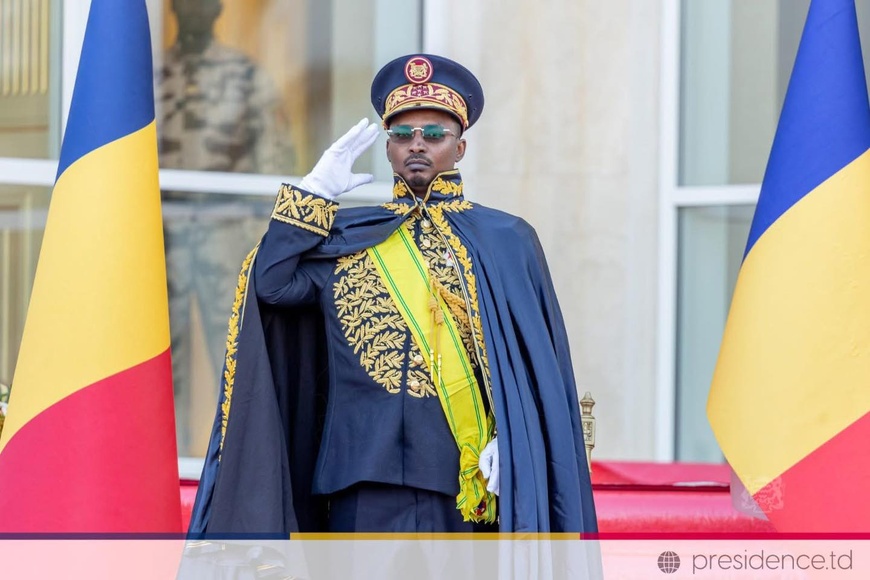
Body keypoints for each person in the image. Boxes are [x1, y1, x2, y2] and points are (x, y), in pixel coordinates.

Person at [189, 54, 598, 536]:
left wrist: (516, 438)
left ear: (461, 147)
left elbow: (532, 368)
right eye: (402, 136)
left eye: (434, 134)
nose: (417, 145)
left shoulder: (506, 238)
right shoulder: (345, 236)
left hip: (463, 478)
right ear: (387, 149)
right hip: (359, 477)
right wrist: (313, 195)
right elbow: (270, 285)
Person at [156, 0, 294, 453]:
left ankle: (234, 461)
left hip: (225, 230)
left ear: (217, 10)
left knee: (232, 351)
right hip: (164, 234)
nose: (195, 10)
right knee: (159, 360)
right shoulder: (152, 75)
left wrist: (265, 239)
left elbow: (274, 161)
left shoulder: (246, 75)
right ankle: (166, 458)